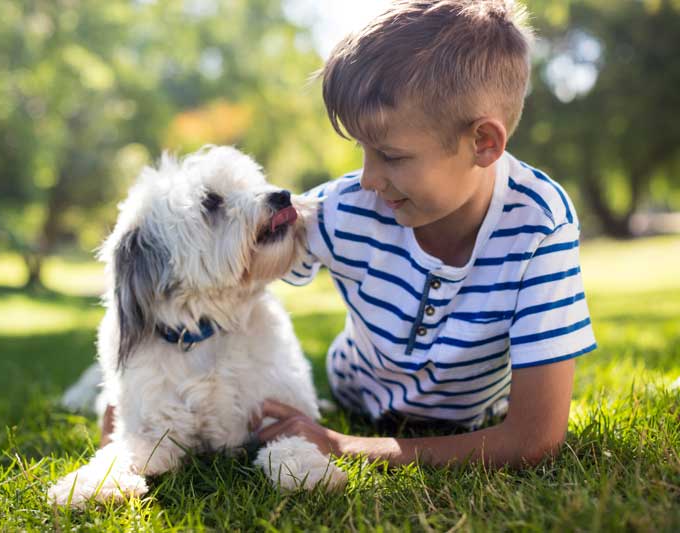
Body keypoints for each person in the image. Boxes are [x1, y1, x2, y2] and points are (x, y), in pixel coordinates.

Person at [253, 0, 597, 467]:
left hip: (467, 420)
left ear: (483, 143)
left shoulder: (539, 225)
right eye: (362, 149)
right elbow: (226, 273)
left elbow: (533, 439)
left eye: (391, 156)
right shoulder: (343, 209)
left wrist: (342, 445)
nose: (369, 178)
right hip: (353, 395)